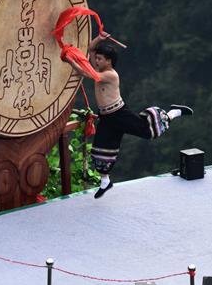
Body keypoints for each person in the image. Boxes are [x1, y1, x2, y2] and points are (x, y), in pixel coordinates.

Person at [70, 32, 193, 198]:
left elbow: (88, 74)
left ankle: (173, 113)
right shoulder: (98, 67)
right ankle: (105, 181)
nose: (96, 61)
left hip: (119, 114)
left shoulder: (111, 74)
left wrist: (70, 60)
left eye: (100, 59)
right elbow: (91, 49)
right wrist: (99, 38)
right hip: (106, 117)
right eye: (96, 59)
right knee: (101, 148)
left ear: (109, 61)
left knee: (148, 131)